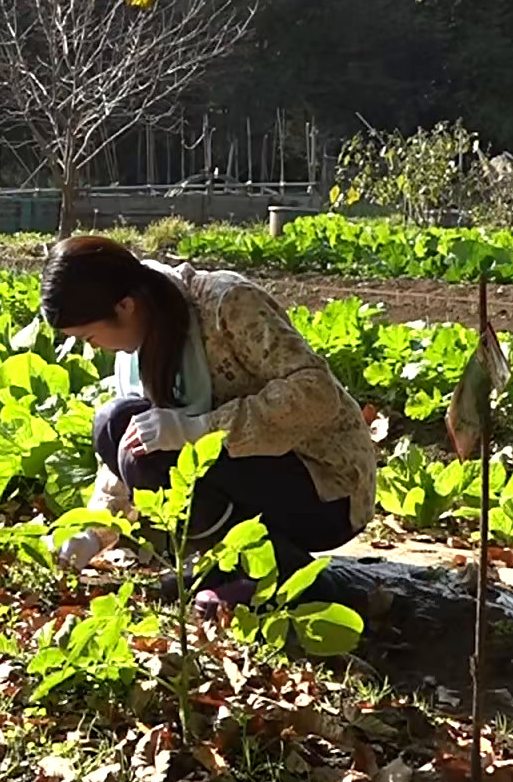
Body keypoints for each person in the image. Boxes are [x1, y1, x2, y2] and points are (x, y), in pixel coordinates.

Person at [42, 235, 378, 616]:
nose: (93, 348)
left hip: (326, 486)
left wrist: (201, 428)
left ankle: (291, 575)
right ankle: (226, 565)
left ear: (125, 306)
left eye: (90, 336)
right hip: (249, 478)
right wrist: (93, 533)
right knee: (113, 424)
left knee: (154, 454)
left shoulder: (225, 304)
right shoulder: (146, 337)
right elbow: (132, 441)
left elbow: (316, 394)